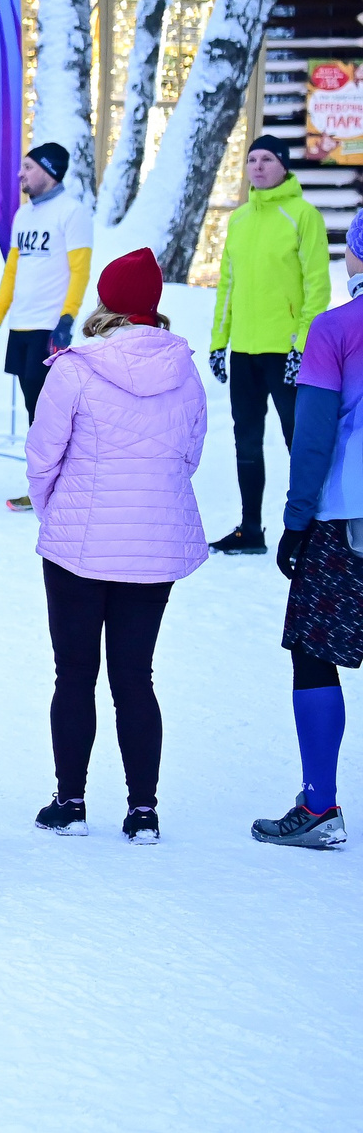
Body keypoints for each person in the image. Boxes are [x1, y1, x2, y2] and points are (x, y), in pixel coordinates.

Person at [22, 246, 203, 843]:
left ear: (106, 302)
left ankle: (70, 802)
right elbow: (190, 454)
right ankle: (143, 810)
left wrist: (56, 513)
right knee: (136, 675)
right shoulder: (185, 369)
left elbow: (43, 456)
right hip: (154, 547)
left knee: (74, 672)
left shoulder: (75, 368)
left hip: (79, 545)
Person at [268, 238, 363, 850]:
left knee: (313, 652)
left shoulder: (332, 330)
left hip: (342, 519)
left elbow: (313, 437)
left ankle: (320, 804)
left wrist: (295, 521)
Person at [206, 135, 329, 555]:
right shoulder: (239, 220)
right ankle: (251, 529)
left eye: (267, 159)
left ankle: (311, 529)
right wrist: (219, 342)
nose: (257, 166)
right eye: (251, 159)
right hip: (244, 351)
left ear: (284, 165)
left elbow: (317, 287)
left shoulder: (303, 215)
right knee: (246, 441)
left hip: (287, 353)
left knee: (299, 440)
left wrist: (302, 347)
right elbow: (227, 286)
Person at [0, 141, 91, 439]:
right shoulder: (23, 216)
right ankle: (39, 483)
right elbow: (12, 273)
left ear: (50, 172)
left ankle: (50, 483)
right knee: (33, 413)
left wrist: (67, 319)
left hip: (48, 326)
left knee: (48, 416)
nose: (20, 174)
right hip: (20, 326)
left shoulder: (72, 212)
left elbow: (80, 272)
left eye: (28, 167)